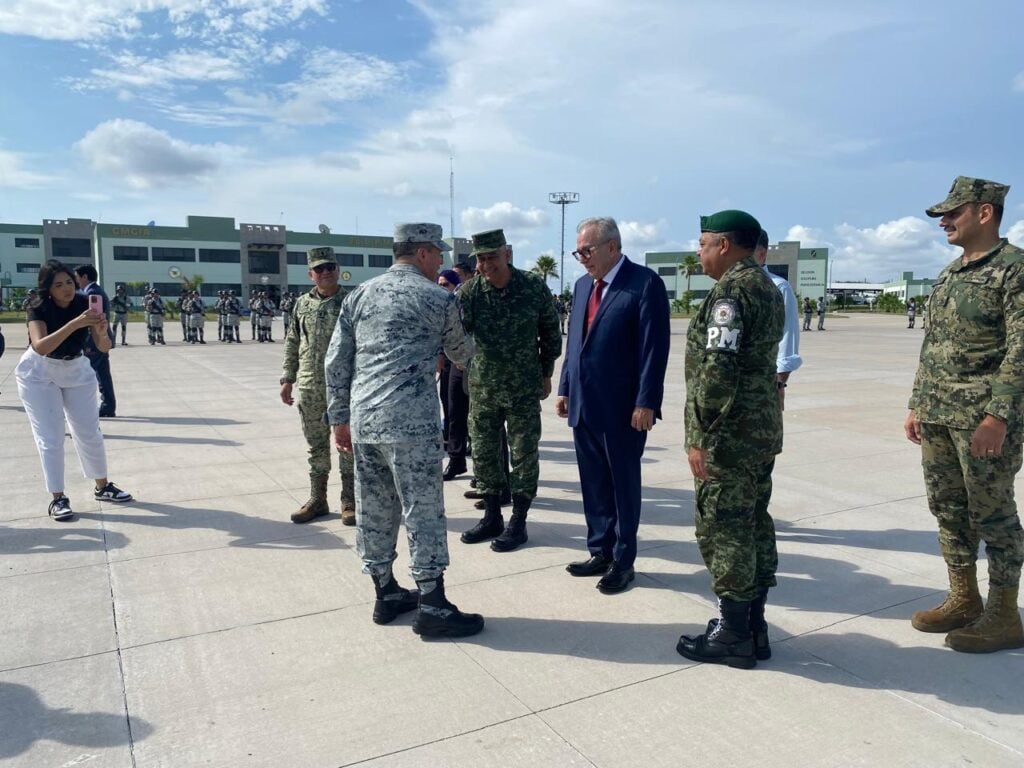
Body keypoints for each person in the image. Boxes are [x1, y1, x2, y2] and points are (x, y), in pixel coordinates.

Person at [325, 222, 481, 636]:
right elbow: (462, 352)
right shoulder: (437, 297)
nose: (442, 263)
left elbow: (335, 361)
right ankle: (432, 604)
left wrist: (339, 418)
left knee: (374, 509)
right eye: (439, 254)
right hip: (410, 424)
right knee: (422, 510)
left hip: (364, 421)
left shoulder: (359, 294)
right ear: (424, 252)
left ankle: (385, 592)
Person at [906, 175, 1024, 654]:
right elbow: (933, 343)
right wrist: (918, 403)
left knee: (993, 514)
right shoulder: (951, 274)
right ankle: (964, 597)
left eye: (953, 213)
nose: (944, 221)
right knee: (949, 510)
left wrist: (998, 415)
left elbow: (1021, 347)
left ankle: (1003, 613)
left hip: (983, 420)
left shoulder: (1014, 270)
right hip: (938, 414)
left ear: (984, 213)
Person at [677, 210, 784, 669]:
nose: (698, 253)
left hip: (728, 435)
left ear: (723, 245)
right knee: (754, 522)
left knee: (725, 529)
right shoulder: (766, 284)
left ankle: (733, 633)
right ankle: (753, 626)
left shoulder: (731, 292)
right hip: (758, 429)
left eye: (703, 244)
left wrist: (699, 435)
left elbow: (718, 371)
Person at [557, 216, 670, 593]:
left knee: (622, 485)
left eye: (586, 250)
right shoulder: (581, 286)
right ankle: (600, 549)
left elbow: (654, 349)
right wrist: (565, 386)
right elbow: (576, 342)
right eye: (579, 252)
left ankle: (623, 560)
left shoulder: (644, 284)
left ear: (612, 246)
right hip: (584, 404)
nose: (582, 258)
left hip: (623, 408)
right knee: (593, 483)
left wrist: (647, 401)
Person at [457, 229, 562, 552]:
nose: (487, 264)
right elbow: (458, 334)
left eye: (492, 257)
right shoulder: (471, 292)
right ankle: (492, 516)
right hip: (483, 389)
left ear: (507, 254)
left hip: (523, 389)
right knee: (486, 454)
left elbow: (550, 333)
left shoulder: (532, 287)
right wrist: (461, 362)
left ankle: (518, 520)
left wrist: (546, 373)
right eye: (482, 258)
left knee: (524, 455)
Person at [16, 260, 133, 520]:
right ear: (48, 288)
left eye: (69, 282)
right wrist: (74, 324)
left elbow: (104, 347)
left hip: (76, 368)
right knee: (51, 437)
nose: (67, 288)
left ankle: (103, 486)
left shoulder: (84, 302)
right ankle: (58, 498)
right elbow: (40, 347)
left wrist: (101, 332)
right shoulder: (38, 307)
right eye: (58, 285)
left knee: (89, 431)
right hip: (39, 373)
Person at [281, 248, 357, 526]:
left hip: (344, 387)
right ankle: (318, 498)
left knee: (347, 445)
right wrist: (287, 378)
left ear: (338, 269)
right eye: (319, 268)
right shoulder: (302, 303)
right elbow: (292, 341)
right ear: (310, 273)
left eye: (330, 267)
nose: (326, 272)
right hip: (310, 386)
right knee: (316, 446)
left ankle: (349, 500)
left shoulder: (351, 301)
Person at [754, 230, 802, 408]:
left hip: (761, 387)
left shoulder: (778, 287)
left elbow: (787, 337)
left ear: (761, 254)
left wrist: (779, 383)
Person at [436, 269, 468, 481]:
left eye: (445, 284)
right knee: (452, 411)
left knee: (469, 415)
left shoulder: (462, 300)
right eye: (439, 283)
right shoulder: (439, 304)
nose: (441, 288)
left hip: (466, 362)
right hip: (449, 362)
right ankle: (456, 460)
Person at [74, 265, 116, 418]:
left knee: (89, 375)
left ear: (85, 277)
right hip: (99, 338)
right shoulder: (96, 291)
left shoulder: (91, 293)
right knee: (102, 373)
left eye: (77, 277)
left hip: (94, 339)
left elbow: (91, 320)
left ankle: (100, 406)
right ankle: (108, 406)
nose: (76, 281)